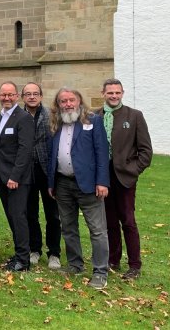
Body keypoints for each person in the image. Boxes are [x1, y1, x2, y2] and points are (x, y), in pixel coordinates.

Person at [47, 87, 110, 290]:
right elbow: (52, 155)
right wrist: (51, 183)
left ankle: (100, 271)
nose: (68, 104)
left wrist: (102, 182)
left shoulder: (93, 121)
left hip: (89, 185)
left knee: (97, 230)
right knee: (68, 227)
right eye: (63, 101)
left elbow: (102, 153)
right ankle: (75, 264)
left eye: (71, 100)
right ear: (58, 105)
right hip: (63, 183)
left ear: (79, 101)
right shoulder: (56, 123)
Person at [99, 79, 152, 280]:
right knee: (109, 221)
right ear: (103, 93)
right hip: (103, 177)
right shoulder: (95, 116)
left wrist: (133, 170)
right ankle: (113, 260)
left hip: (125, 177)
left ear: (122, 93)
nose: (114, 96)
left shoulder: (134, 116)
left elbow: (146, 151)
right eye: (110, 92)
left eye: (117, 93)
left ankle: (134, 265)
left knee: (128, 221)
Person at [0, 82, 35, 272]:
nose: (6, 98)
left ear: (17, 96)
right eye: (3, 95)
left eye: (10, 95)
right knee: (11, 216)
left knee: (18, 216)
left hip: (17, 178)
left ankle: (23, 260)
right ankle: (19, 253)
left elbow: (25, 150)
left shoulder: (23, 118)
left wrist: (15, 176)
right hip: (1, 175)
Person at [21, 82, 61, 269]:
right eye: (28, 94)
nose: (31, 97)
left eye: (35, 93)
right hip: (27, 172)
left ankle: (54, 252)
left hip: (47, 171)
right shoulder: (18, 116)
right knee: (30, 213)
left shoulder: (52, 116)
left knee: (53, 214)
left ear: (41, 96)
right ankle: (34, 248)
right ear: (23, 97)